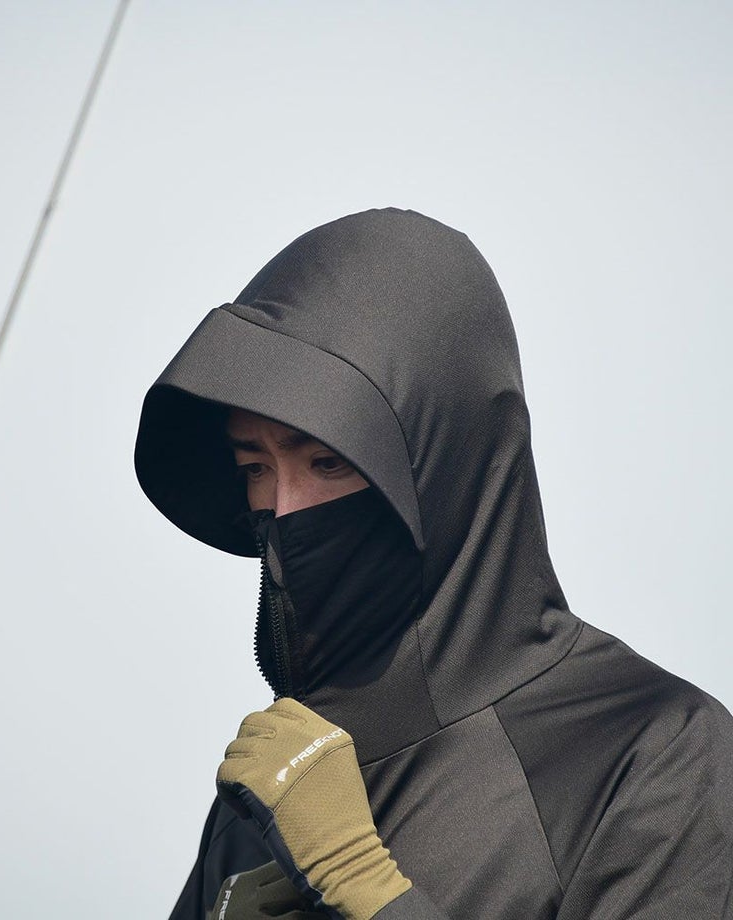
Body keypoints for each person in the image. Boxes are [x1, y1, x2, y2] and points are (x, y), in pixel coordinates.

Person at [134, 208, 733, 919]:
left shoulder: (654, 751)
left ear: (444, 467)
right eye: (255, 467)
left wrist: (362, 883)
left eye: (326, 461)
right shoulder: (269, 789)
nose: (285, 509)